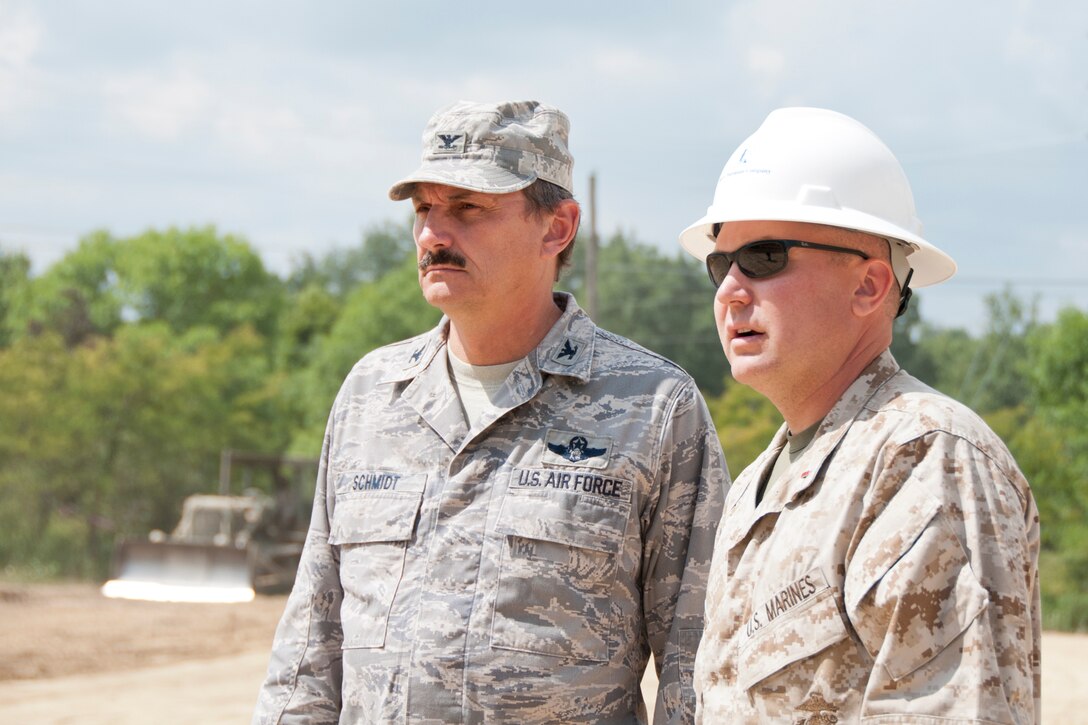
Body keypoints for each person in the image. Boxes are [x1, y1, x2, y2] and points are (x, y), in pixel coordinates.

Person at [253, 99, 728, 724]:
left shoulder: (654, 408)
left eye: (468, 208)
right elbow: (311, 646)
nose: (432, 234)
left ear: (556, 227)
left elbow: (698, 670)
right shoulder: (372, 395)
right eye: (424, 208)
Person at [677, 107, 1040, 723]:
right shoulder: (754, 491)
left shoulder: (924, 458)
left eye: (764, 258)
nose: (730, 289)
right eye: (721, 263)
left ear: (870, 287)